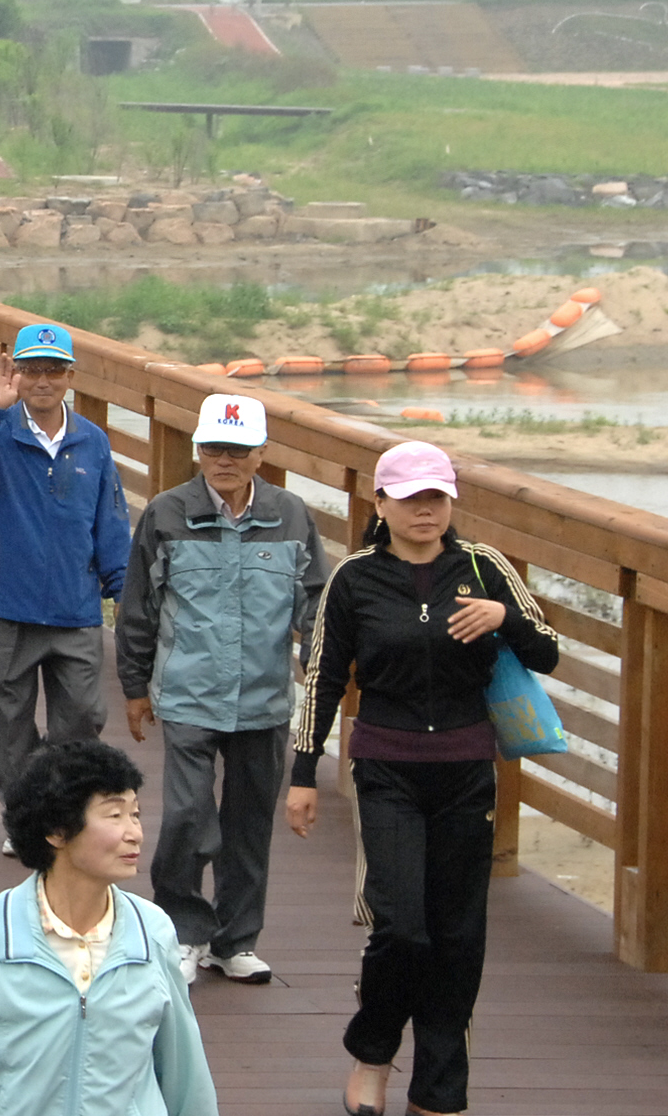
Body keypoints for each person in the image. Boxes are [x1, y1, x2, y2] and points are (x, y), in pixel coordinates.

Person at [287, 441, 559, 1116]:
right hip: (386, 768)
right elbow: (322, 677)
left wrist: (505, 619)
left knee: (459, 936)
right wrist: (303, 773)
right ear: (380, 503)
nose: (424, 511)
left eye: (435, 498)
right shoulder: (355, 579)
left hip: (467, 770)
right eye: (409, 499)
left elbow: (547, 651)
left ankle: (439, 1091)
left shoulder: (481, 566)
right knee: (404, 927)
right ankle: (373, 1052)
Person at [117, 393, 328, 986]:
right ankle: (181, 931)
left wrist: (320, 669)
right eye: (213, 447)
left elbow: (316, 602)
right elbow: (138, 606)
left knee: (249, 819)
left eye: (237, 449)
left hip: (264, 697)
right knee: (187, 814)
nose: (224, 460)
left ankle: (235, 939)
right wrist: (134, 684)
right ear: (197, 449)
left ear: (262, 453)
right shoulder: (166, 512)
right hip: (187, 691)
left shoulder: (291, 515)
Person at [0, 740, 218, 1116]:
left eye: (136, 814)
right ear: (56, 832)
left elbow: (184, 1071)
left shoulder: (153, 932)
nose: (135, 833)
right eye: (114, 816)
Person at [0, 323, 131, 838]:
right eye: (30, 370)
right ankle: (22, 819)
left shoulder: (92, 440)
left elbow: (110, 522)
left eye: (52, 370)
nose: (41, 380)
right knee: (12, 724)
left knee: (83, 719)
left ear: (70, 376)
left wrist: (124, 594)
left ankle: (61, 809)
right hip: (8, 605)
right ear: (15, 373)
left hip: (76, 610)